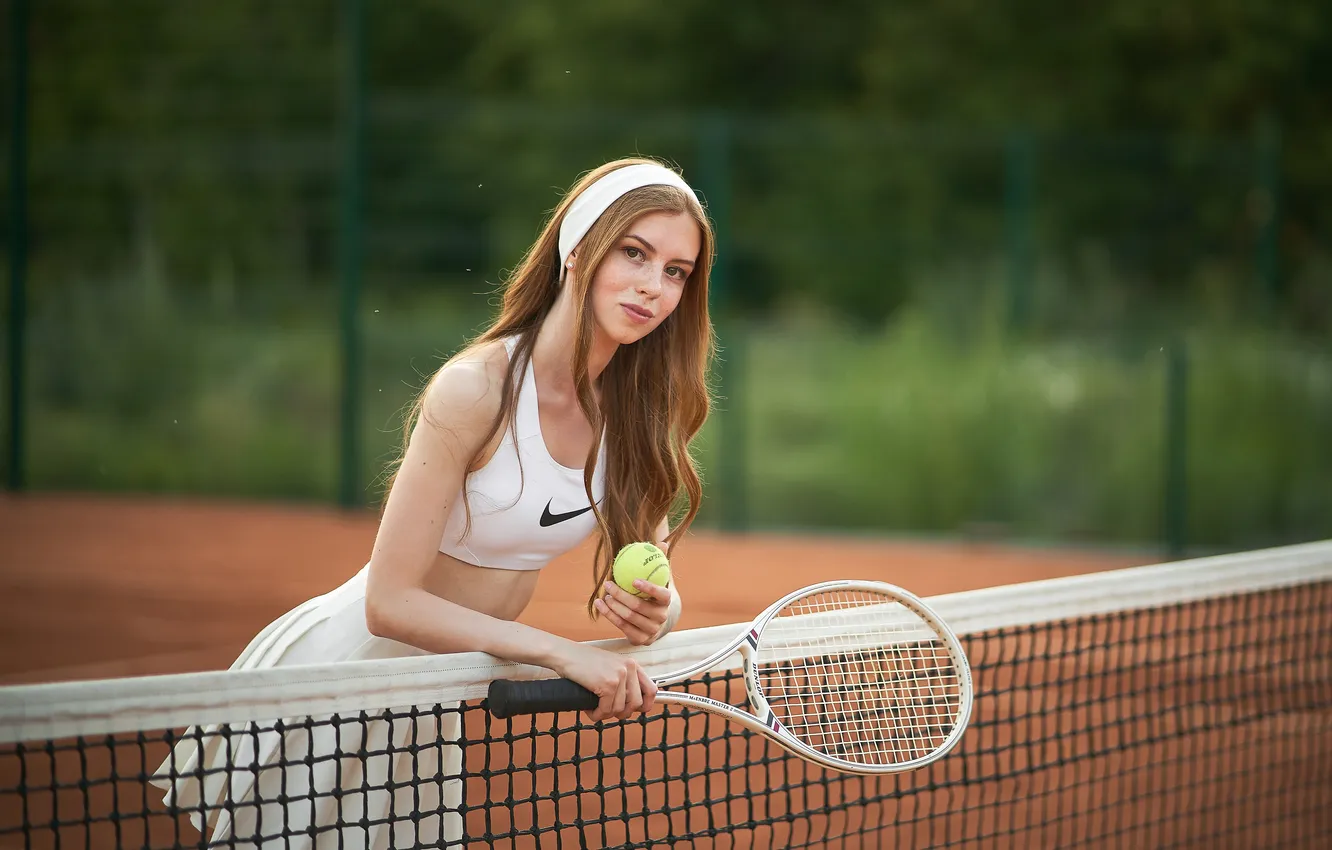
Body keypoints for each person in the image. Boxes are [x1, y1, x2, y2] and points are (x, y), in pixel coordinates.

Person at [151, 157, 716, 848]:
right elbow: (389, 601)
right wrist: (561, 656)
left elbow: (657, 582)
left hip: (431, 693)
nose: (652, 286)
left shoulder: (634, 413)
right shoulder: (475, 390)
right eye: (635, 253)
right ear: (578, 248)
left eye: (676, 272)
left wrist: (659, 611)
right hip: (347, 675)